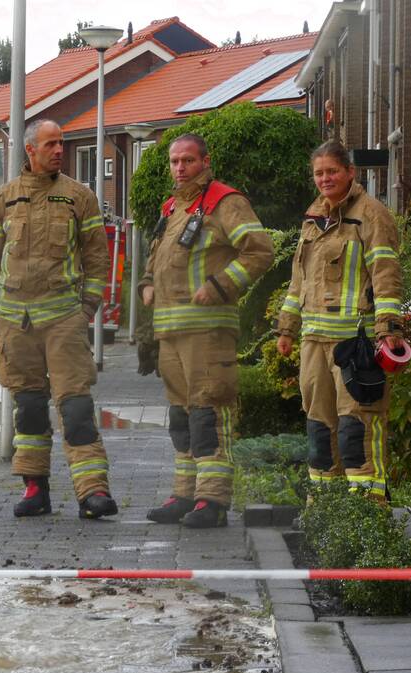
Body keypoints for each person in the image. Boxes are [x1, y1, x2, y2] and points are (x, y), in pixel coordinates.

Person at [0, 119, 118, 520]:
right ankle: (35, 489)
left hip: (63, 323)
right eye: (51, 144)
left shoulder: (79, 197)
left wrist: (86, 308)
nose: (60, 150)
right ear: (30, 151)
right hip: (15, 325)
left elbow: (96, 258)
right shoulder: (2, 200)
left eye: (63, 143)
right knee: (31, 410)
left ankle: (92, 491)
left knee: (75, 408)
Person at [139, 134, 274, 528]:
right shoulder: (172, 207)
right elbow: (157, 255)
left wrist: (220, 286)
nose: (180, 168)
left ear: (205, 161)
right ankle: (184, 494)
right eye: (174, 162)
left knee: (208, 414)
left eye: (188, 161)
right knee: (181, 419)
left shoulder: (225, 202)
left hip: (208, 332)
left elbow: (260, 250)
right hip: (171, 334)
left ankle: (212, 502)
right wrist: (146, 283)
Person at [276, 140, 404, 502]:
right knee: (319, 427)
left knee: (356, 426)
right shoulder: (313, 217)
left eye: (332, 171)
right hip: (314, 342)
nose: (325, 178)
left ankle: (367, 511)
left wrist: (388, 328)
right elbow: (298, 279)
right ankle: (326, 509)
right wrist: (287, 327)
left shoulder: (371, 214)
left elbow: (385, 272)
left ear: (350, 172)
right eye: (319, 173)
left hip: (356, 345)